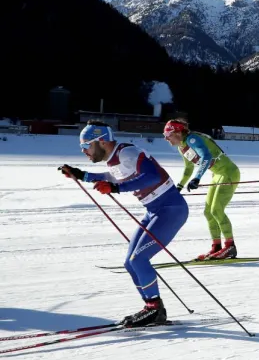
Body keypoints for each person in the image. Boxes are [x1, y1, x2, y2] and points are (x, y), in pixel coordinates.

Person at [58, 122, 188, 327]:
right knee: (130, 262)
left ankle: (155, 310)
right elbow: (112, 177)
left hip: (171, 210)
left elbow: (152, 176)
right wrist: (81, 174)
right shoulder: (114, 159)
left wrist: (116, 189)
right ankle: (152, 308)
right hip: (154, 210)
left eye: (86, 147)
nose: (84, 152)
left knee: (139, 259)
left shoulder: (128, 152)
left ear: (101, 141)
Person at [163, 119, 241, 260]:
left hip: (228, 172)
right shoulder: (182, 147)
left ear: (178, 132)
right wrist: (180, 186)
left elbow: (206, 156)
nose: (166, 138)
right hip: (218, 174)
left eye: (168, 134)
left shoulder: (192, 139)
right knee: (208, 212)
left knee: (216, 210)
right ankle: (216, 247)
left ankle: (230, 247)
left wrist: (197, 178)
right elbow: (188, 168)